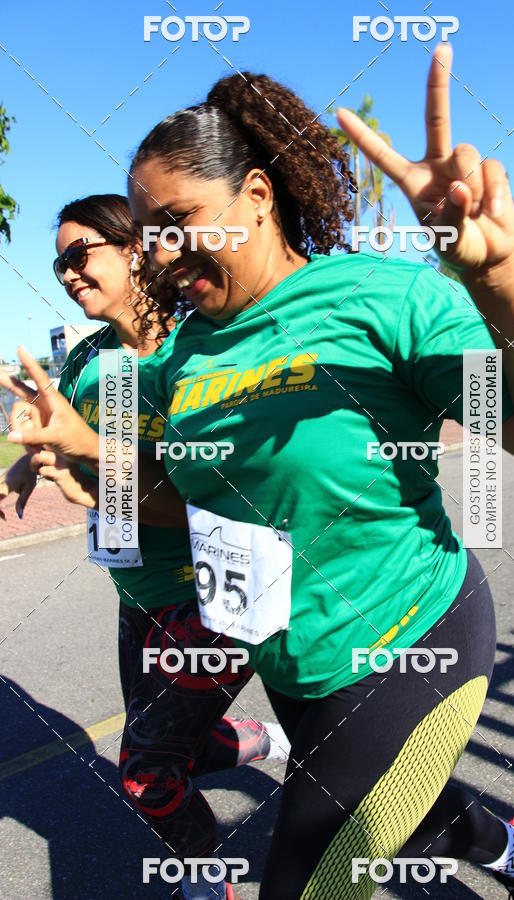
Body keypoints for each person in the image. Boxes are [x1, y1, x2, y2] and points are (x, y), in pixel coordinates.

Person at [5, 44, 514, 900]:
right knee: (414, 811)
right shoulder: (186, 357)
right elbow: (187, 505)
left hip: (410, 637)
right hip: (291, 658)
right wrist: (93, 460)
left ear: (257, 194)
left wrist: (502, 276)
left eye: (182, 222)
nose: (166, 254)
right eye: (153, 236)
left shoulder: (384, 298)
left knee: (314, 879)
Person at [0, 195, 288, 900]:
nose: (67, 274)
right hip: (137, 593)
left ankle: (199, 869)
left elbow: (222, 494)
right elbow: (52, 431)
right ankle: (245, 738)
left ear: (134, 250)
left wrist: (95, 479)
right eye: (58, 263)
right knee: (165, 739)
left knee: (145, 772)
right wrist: (18, 474)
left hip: (217, 591)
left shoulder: (197, 350)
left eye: (79, 255)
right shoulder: (89, 360)